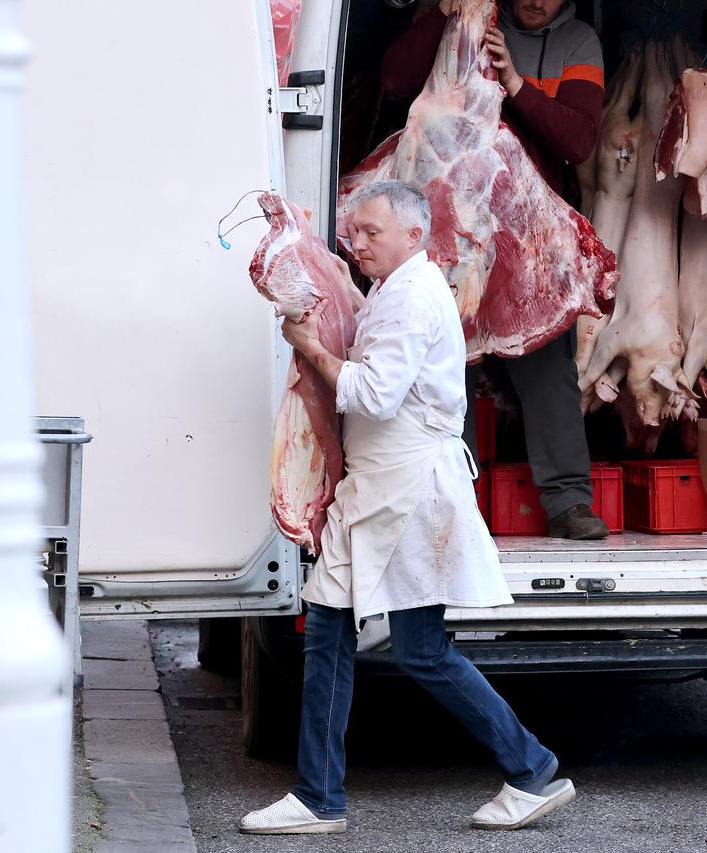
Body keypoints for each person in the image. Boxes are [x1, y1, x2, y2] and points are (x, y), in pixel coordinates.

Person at [238, 181, 575, 835]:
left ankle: (321, 796)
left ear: (413, 235)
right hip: (400, 481)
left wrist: (309, 348)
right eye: (353, 232)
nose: (356, 242)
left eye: (371, 232)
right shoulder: (406, 289)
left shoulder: (409, 299)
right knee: (406, 645)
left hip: (400, 484)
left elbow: (373, 393)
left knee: (350, 630)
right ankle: (527, 769)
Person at [380, 0, 610, 540]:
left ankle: (568, 501)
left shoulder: (578, 44)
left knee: (546, 365)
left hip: (528, 228)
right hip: (447, 220)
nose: (536, 1)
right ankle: (449, 504)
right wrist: (443, 14)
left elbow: (578, 140)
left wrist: (516, 82)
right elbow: (394, 80)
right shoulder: (465, 17)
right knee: (445, 362)